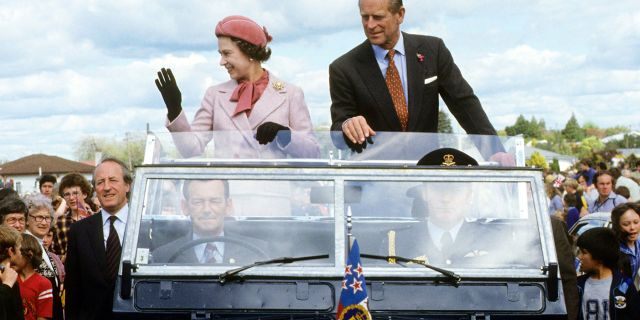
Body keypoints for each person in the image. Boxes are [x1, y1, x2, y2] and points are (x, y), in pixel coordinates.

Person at [329, 0, 500, 155]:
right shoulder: (343, 68)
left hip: (425, 174)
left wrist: (495, 152)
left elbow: (465, 105)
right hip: (373, 180)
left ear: (400, 14)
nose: (370, 25)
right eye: (365, 17)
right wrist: (347, 126)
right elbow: (338, 132)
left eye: (378, 17)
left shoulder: (434, 50)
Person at [156, 15, 320, 159]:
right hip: (228, 192)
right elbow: (190, 149)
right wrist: (174, 109)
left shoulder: (290, 94)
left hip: (275, 192)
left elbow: (314, 153)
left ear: (249, 52)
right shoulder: (214, 95)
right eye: (220, 54)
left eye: (227, 53)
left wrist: (285, 134)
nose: (221, 62)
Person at [64, 158, 132, 320]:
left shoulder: (145, 227)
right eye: (100, 182)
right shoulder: (79, 231)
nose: (107, 187)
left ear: (127, 185)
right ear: (95, 189)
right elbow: (73, 288)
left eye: (113, 180)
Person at [152, 179, 267, 264]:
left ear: (228, 206)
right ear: (185, 207)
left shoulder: (257, 252)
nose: (207, 209)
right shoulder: (164, 257)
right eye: (198, 202)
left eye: (215, 201)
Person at [576, 227, 640, 319]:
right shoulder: (578, 285)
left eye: (583, 252)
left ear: (599, 255)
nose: (579, 257)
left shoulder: (624, 285)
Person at [22, 194, 63, 319]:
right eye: (39, 217)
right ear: (27, 219)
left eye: (47, 218)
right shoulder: (24, 247)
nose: (44, 222)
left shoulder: (42, 246)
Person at [51, 173, 96, 262]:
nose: (71, 198)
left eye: (75, 193)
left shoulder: (96, 220)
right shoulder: (61, 222)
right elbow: (54, 254)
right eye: (67, 194)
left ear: (84, 194)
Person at [15, 233, 53, 320]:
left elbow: (43, 316)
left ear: (29, 254)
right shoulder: (9, 278)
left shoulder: (43, 283)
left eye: (14, 251)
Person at [611, 203, 640, 288]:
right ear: (617, 226)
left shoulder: (638, 242)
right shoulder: (613, 250)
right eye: (626, 224)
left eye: (636, 222)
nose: (632, 227)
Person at [0, 225, 25, 320]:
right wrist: (6, 286)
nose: (21, 254)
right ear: (11, 251)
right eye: (20, 249)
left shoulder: (11, 275)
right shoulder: (9, 281)